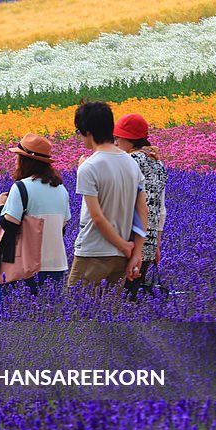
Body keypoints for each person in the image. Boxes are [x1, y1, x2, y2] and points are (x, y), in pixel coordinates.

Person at [67, 101, 147, 289]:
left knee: (76, 310)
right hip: (121, 257)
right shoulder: (131, 163)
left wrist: (124, 245)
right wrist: (136, 252)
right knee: (112, 312)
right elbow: (143, 210)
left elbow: (97, 217)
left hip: (93, 251)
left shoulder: (89, 167)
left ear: (87, 131)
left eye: (79, 133)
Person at [0, 133, 70, 301]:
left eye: (17, 157)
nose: (15, 161)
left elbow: (10, 226)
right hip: (55, 264)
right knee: (49, 315)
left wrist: (1, 206)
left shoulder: (21, 187)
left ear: (25, 161)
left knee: (11, 314)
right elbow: (62, 229)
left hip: (24, 265)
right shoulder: (61, 190)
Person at [113, 114, 168, 300]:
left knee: (114, 299)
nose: (115, 142)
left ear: (129, 139)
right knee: (131, 296)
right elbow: (160, 210)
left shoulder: (128, 161)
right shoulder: (158, 164)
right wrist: (156, 243)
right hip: (148, 242)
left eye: (118, 138)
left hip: (126, 240)